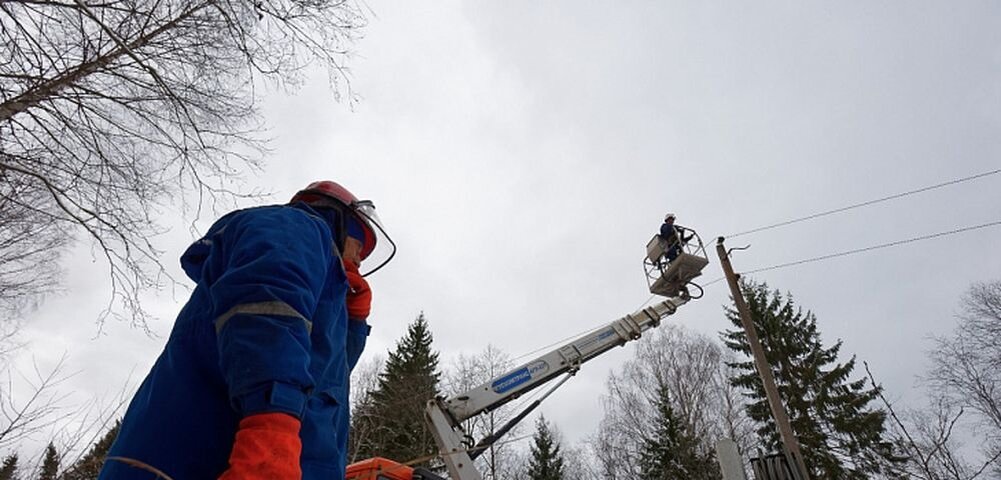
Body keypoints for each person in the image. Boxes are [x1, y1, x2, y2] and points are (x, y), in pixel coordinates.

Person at [99, 180, 395, 480]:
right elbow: (267, 318)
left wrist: (352, 325)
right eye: (359, 246)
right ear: (341, 222)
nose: (359, 260)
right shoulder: (296, 226)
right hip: (206, 461)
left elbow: (323, 378)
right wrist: (271, 430)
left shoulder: (323, 296)